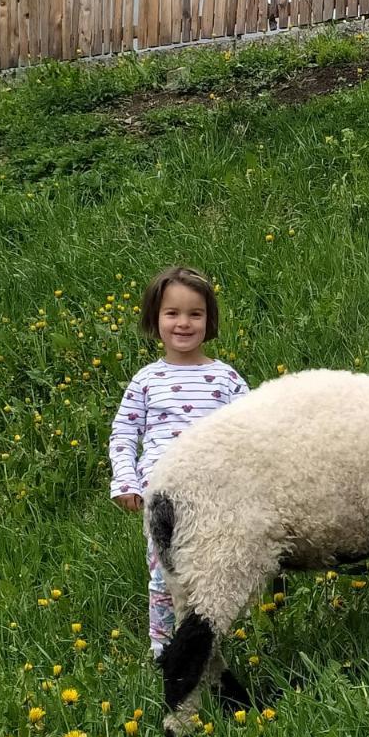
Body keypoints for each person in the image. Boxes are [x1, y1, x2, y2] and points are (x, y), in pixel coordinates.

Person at [108, 266, 249, 659]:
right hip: (162, 497)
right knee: (163, 575)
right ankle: (163, 651)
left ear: (210, 320)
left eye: (195, 314)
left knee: (214, 574)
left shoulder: (225, 379)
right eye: (172, 313)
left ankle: (210, 643)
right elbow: (124, 433)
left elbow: (251, 434)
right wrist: (126, 481)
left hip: (214, 496)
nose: (183, 323)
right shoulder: (146, 381)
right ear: (155, 319)